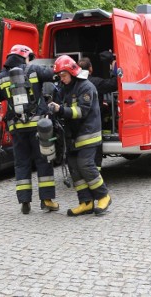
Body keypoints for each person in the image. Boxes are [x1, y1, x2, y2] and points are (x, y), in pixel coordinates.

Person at [0, 44, 59, 215]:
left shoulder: (2, 77)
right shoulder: (34, 70)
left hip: (17, 128)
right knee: (43, 161)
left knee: (21, 164)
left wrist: (7, 97)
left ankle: (25, 201)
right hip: (38, 126)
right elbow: (54, 75)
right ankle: (47, 200)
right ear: (24, 56)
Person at [48, 55, 112, 217]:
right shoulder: (64, 88)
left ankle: (103, 196)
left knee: (85, 165)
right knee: (74, 169)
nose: (62, 79)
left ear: (72, 71)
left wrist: (60, 110)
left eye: (64, 75)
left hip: (88, 133)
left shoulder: (86, 87)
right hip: (72, 135)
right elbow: (61, 107)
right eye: (60, 76)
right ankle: (85, 202)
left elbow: (81, 112)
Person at [78, 53, 118, 171]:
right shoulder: (95, 82)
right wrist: (115, 67)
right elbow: (114, 84)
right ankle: (95, 172)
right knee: (95, 148)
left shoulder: (72, 83)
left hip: (77, 122)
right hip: (93, 122)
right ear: (91, 69)